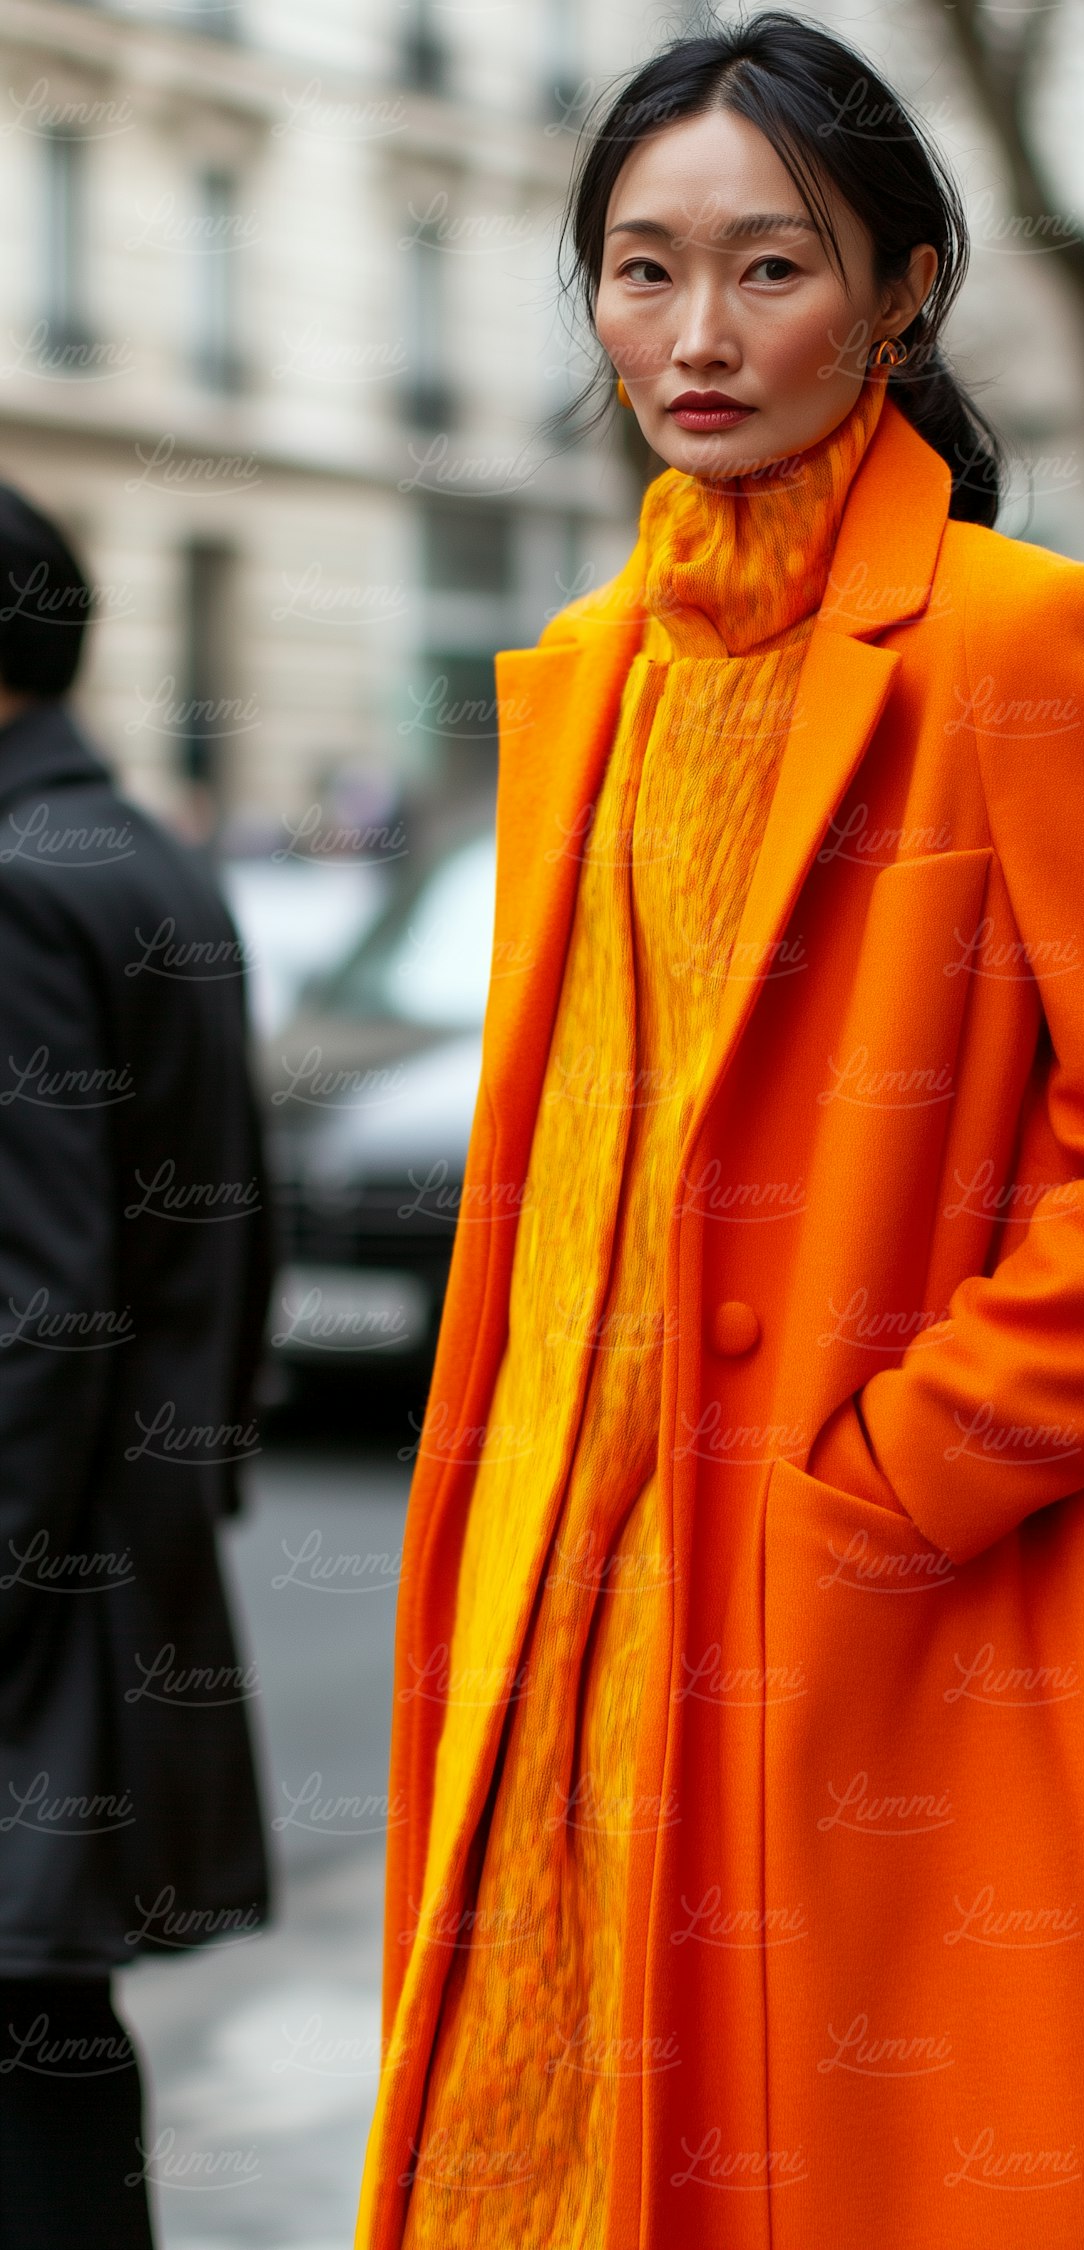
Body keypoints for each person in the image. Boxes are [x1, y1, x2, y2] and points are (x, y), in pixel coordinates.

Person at [358, 16, 1084, 2248]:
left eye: (768, 267)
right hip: (572, 1597)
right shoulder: (586, 673)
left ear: (905, 289)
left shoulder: (1020, 643)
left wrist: (909, 1471)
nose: (695, 335)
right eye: (641, 272)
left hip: (878, 1607)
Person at [0, 488, 273, 2249]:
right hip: (120, 1557)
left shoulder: (20, 885)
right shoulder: (137, 854)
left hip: (38, 1586)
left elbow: (36, 1304)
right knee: (48, 2035)